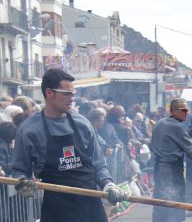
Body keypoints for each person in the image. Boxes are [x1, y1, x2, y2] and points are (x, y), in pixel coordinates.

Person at [11, 69, 127, 222]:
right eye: (67, 93)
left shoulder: (82, 123)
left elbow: (99, 164)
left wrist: (108, 184)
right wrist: (22, 183)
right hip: (56, 210)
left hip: (90, 207)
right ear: (49, 93)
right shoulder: (29, 130)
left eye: (73, 93)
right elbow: (20, 170)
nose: (72, 99)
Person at [151, 98, 192, 222]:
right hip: (170, 169)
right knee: (174, 200)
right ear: (173, 111)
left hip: (159, 167)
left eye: (187, 109)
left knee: (160, 199)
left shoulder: (160, 123)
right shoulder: (176, 126)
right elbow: (190, 148)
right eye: (183, 110)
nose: (187, 112)